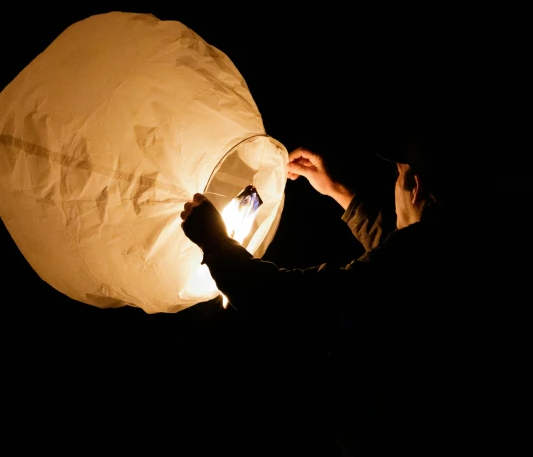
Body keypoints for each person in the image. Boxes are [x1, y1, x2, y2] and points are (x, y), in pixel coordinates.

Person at [180, 132, 471, 454]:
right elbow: (391, 256)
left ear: (414, 188)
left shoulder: (413, 260)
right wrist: (337, 190)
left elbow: (288, 299)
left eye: (399, 174)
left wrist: (215, 243)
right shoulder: (446, 250)